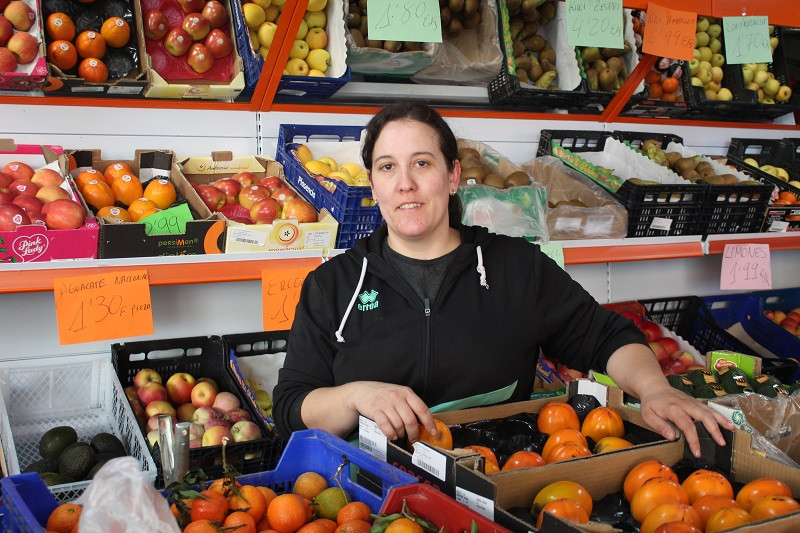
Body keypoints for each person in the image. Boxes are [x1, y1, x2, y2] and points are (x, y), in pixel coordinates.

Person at [273, 101, 733, 457]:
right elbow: (292, 407)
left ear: (453, 176)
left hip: (497, 478)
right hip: (371, 490)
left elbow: (607, 336)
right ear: (373, 186)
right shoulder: (332, 285)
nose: (405, 184)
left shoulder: (515, 266)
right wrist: (354, 396)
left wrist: (655, 390)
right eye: (387, 167)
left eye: (422, 163)